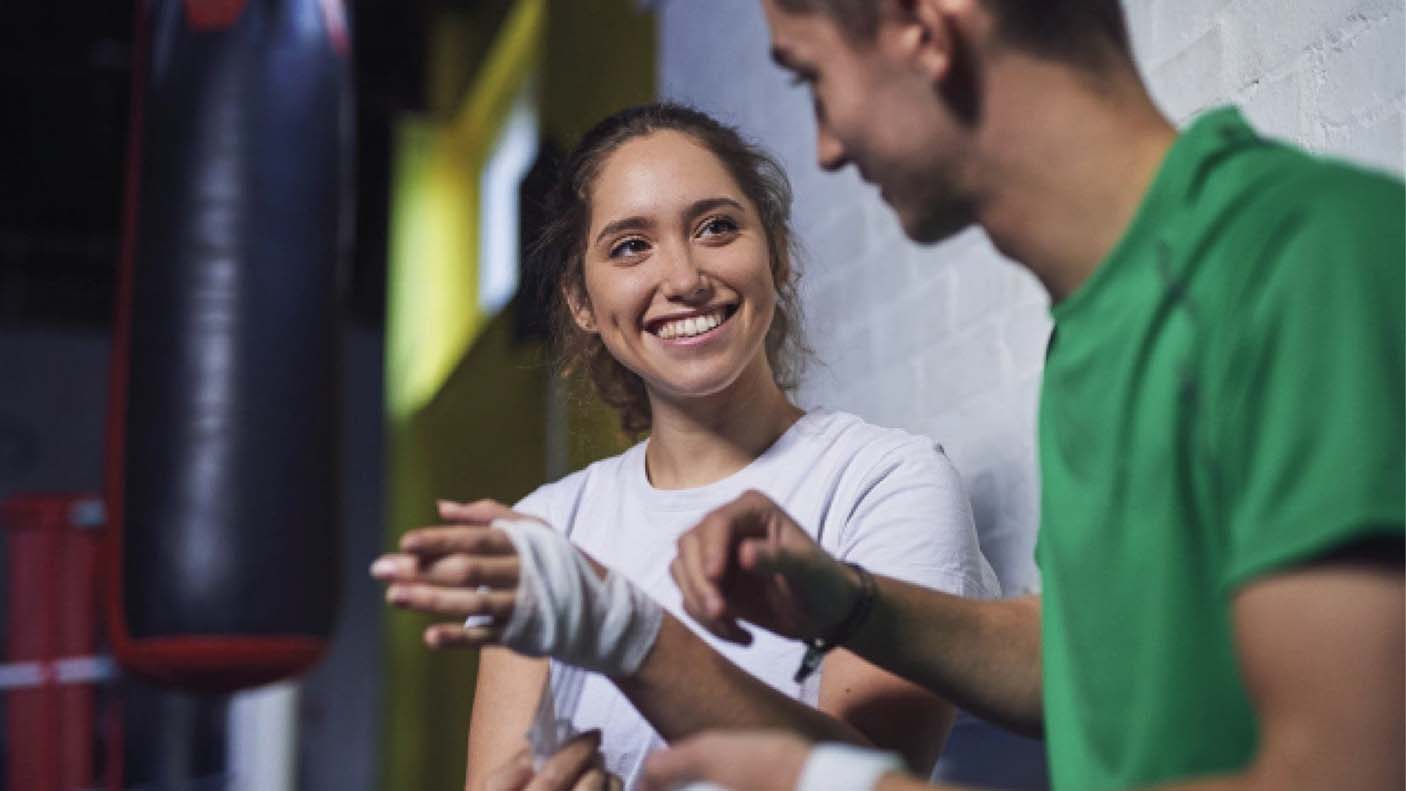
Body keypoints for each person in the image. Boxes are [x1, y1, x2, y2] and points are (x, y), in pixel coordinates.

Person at [640, 1, 1406, 790]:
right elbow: (1087, 654)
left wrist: (843, 785)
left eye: (815, 80)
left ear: (924, 31)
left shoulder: (1304, 260)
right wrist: (849, 603)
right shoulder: (1092, 329)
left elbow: (1342, 773)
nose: (827, 149)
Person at [370, 103, 1000, 791]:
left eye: (717, 227)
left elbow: (880, 778)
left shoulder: (885, 482)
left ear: (779, 254)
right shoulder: (549, 527)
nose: (685, 277)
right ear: (581, 300)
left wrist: (629, 631)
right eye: (630, 245)